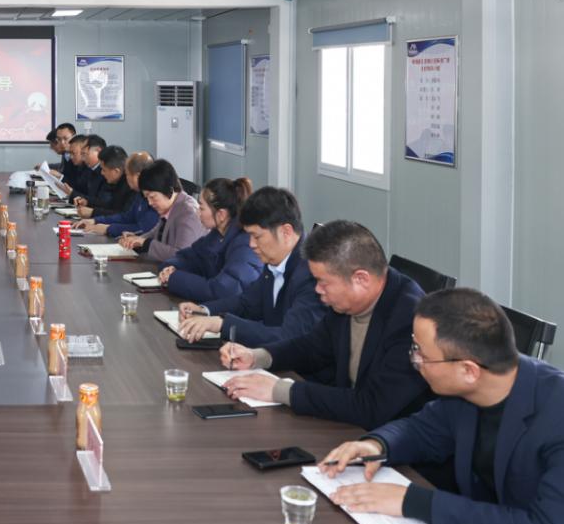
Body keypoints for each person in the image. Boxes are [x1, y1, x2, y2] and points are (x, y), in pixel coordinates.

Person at [320, 288, 564, 524]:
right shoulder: (473, 388)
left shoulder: (556, 415)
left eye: (422, 355)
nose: (414, 361)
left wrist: (415, 502)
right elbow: (421, 430)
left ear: (468, 370)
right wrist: (376, 444)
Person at [219, 220, 432, 430]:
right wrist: (258, 357)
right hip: (346, 427)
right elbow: (313, 347)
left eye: (323, 282)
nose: (318, 290)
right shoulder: (347, 303)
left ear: (361, 279)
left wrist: (280, 390)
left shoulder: (412, 321)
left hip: (392, 442)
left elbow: (372, 406)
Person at [176, 186, 319, 344]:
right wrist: (204, 310)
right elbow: (247, 303)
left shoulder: (313, 273)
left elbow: (289, 336)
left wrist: (222, 324)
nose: (251, 244)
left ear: (286, 232)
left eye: (256, 236)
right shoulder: (275, 259)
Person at [159, 177, 263, 303]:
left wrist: (175, 279)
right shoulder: (216, 236)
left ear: (221, 214)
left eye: (202, 208)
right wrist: (171, 268)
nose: (197, 213)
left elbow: (222, 291)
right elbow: (189, 258)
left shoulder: (246, 245)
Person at [118, 159, 205, 263]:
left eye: (152, 197)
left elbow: (182, 256)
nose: (150, 203)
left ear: (169, 190)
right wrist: (136, 239)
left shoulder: (188, 212)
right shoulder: (170, 207)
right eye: (147, 198)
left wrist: (145, 243)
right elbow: (155, 232)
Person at [72, 144, 130, 214]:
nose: (102, 173)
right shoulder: (117, 182)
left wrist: (92, 212)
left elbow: (122, 215)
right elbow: (109, 205)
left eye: (104, 170)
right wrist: (87, 202)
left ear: (116, 171)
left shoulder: (129, 186)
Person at [69, 134, 107, 203]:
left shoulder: (106, 172)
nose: (83, 159)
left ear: (98, 151)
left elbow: (101, 202)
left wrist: (72, 193)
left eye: (85, 154)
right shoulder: (89, 170)